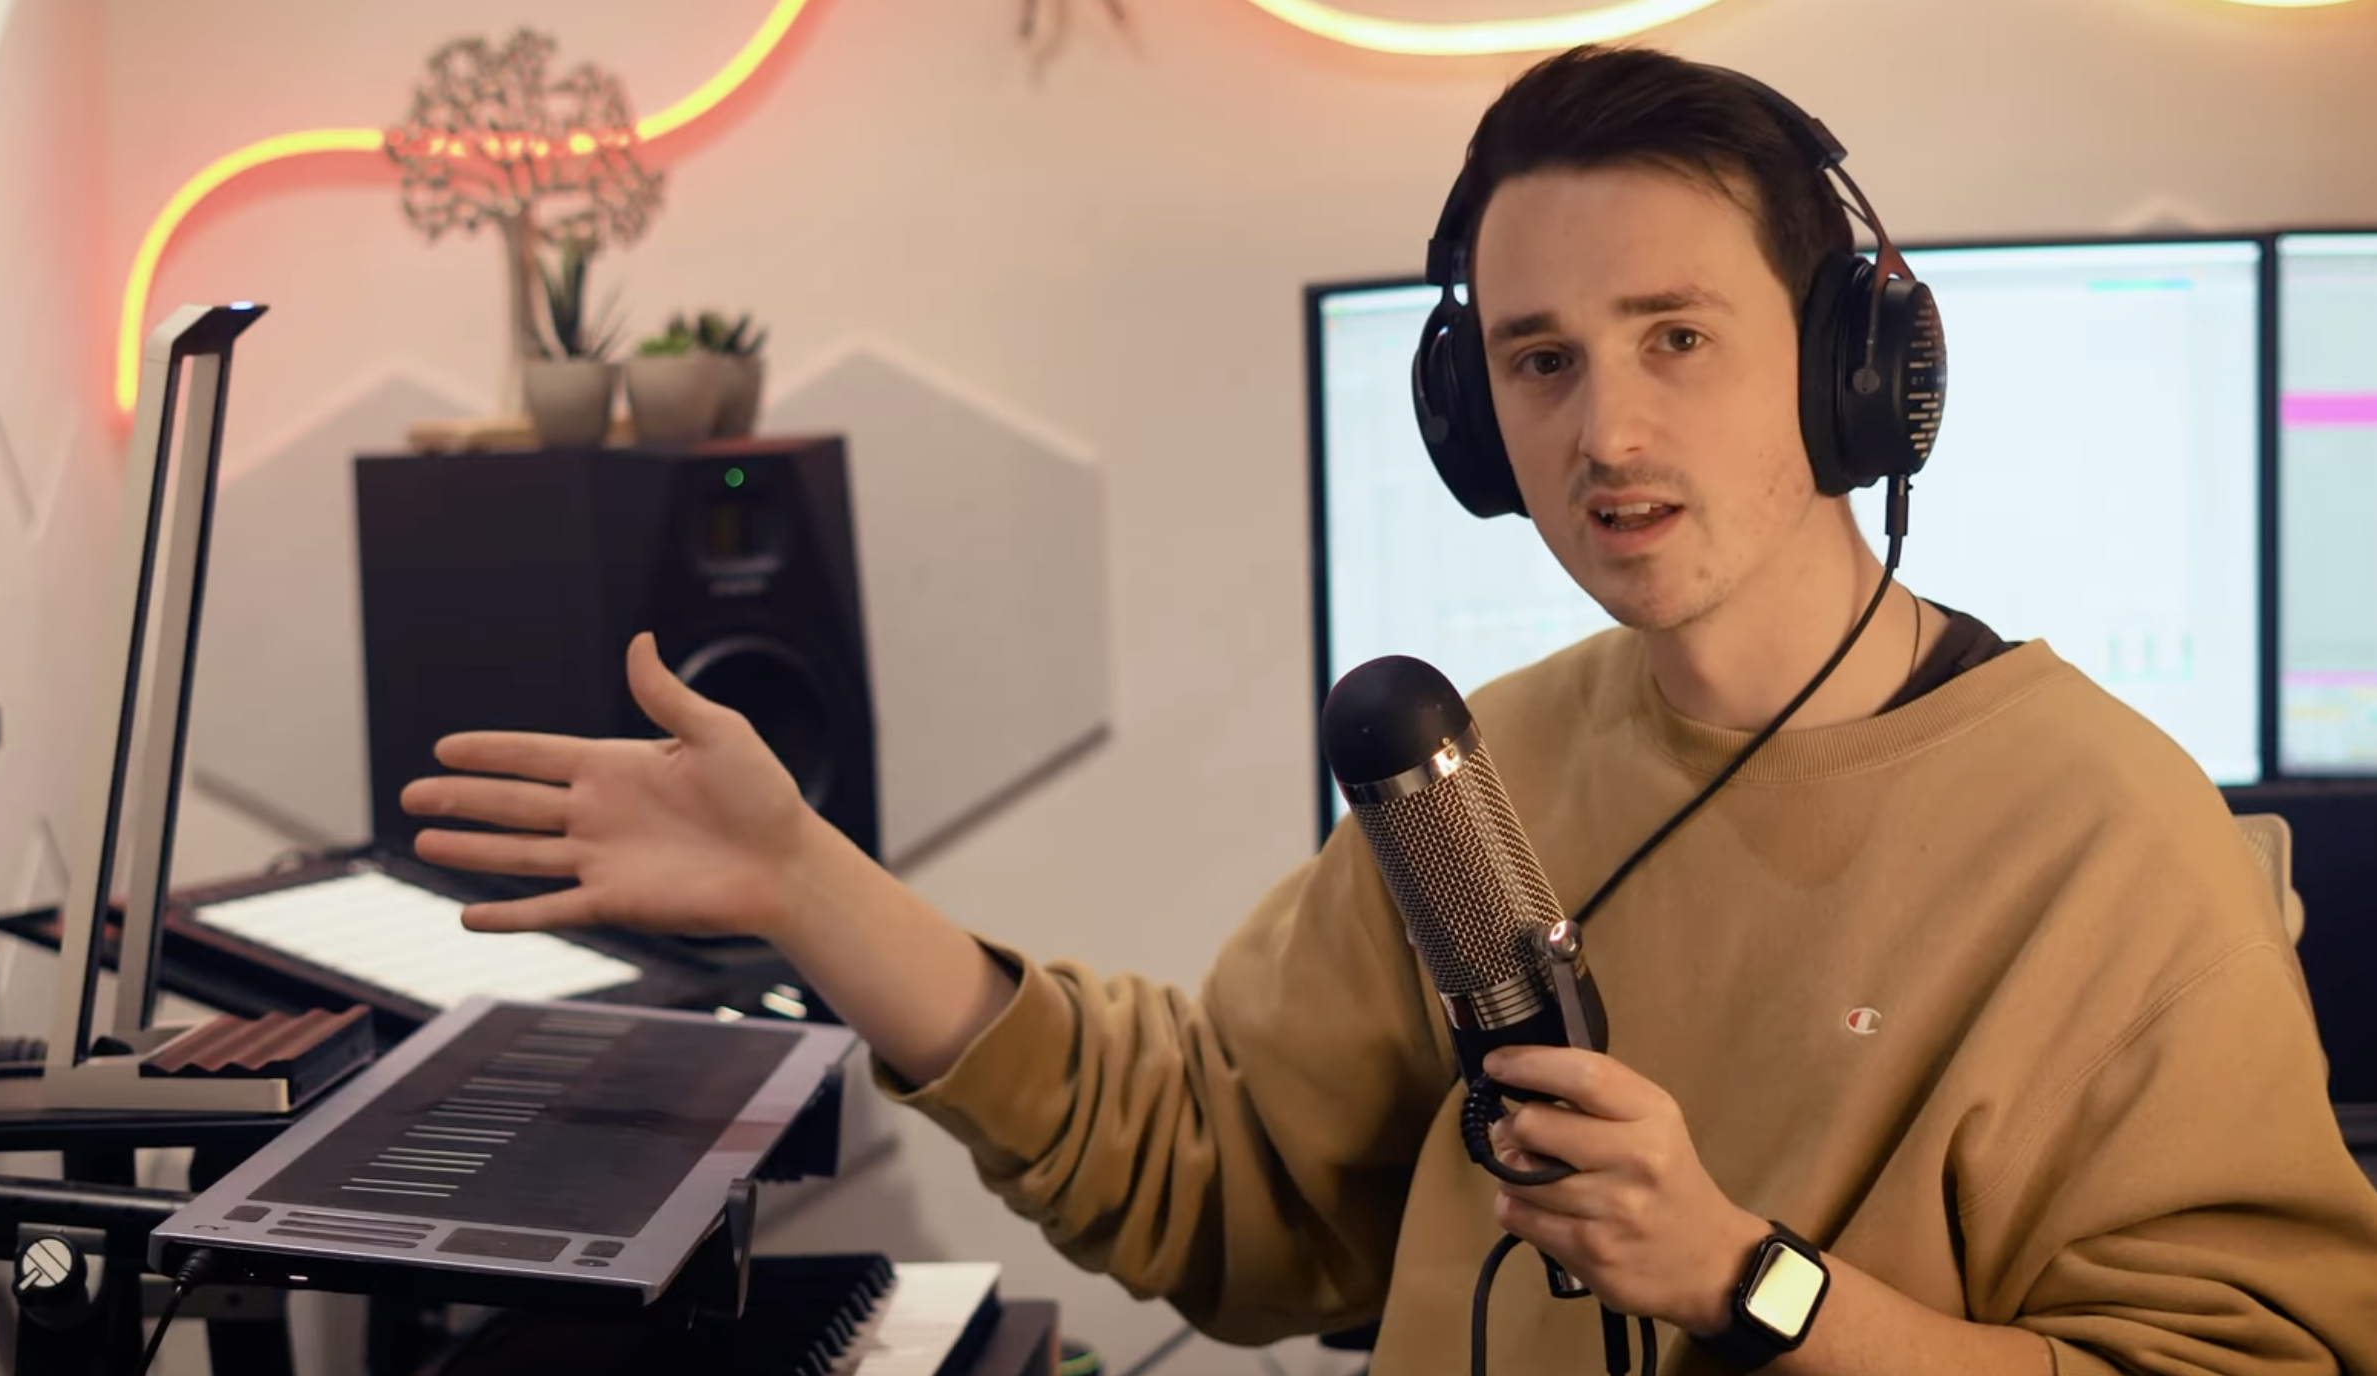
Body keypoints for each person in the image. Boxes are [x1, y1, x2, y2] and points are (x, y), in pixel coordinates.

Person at [399, 45, 2377, 1375]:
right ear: (1465, 416)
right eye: (1535, 361)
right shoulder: (1482, 771)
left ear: (1856, 365)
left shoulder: (2111, 833)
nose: (1602, 432)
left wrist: (1748, 1274)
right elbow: (1218, 1171)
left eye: (1678, 338)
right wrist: (810, 885)